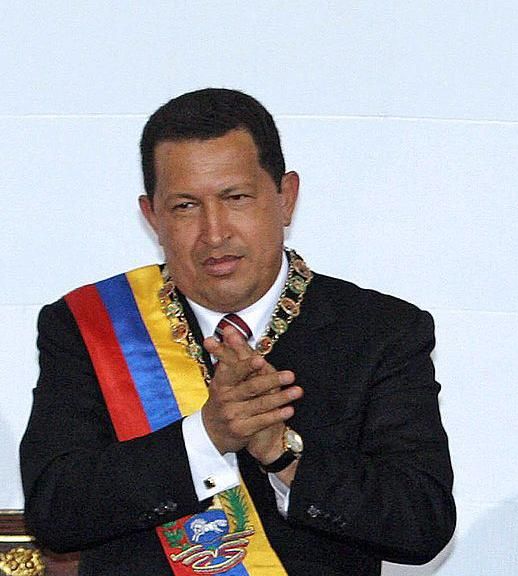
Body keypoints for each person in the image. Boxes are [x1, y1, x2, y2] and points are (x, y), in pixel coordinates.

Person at [20, 88, 455, 575]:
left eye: (236, 198)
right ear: (151, 217)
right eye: (185, 206)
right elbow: (55, 513)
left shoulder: (379, 331)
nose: (214, 232)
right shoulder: (91, 325)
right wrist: (206, 436)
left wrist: (281, 452)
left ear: (285, 198)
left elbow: (422, 525)